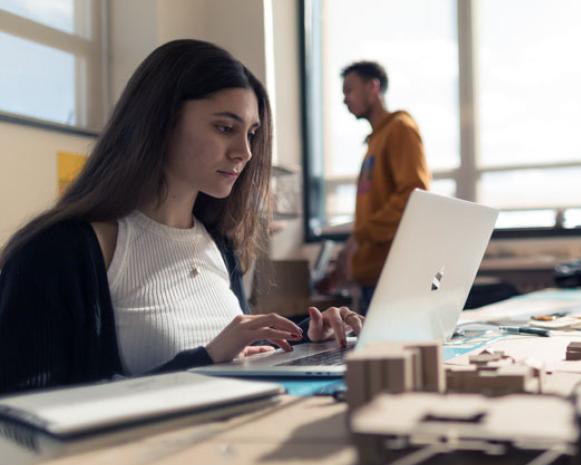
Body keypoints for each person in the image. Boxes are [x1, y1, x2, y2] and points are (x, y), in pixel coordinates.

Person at [0, 39, 363, 395]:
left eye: (251, 134)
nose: (245, 152)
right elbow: (27, 412)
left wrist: (309, 337)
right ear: (160, 120)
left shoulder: (219, 243)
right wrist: (207, 358)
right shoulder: (56, 251)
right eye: (225, 128)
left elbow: (229, 350)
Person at [321, 61, 431, 313]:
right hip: (373, 275)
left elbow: (413, 195)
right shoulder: (375, 141)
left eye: (349, 90)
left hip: (393, 273)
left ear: (373, 87)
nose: (344, 100)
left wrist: (360, 237)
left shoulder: (400, 129)